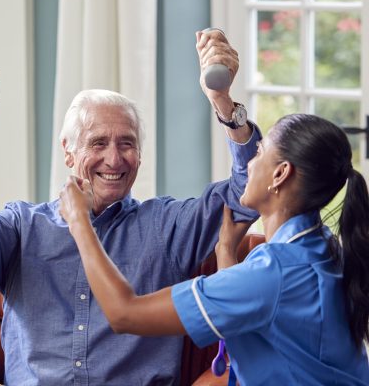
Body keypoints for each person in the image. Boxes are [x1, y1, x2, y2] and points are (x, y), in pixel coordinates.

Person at [0, 29, 261, 385]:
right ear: (68, 151)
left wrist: (224, 103)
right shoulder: (21, 227)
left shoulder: (166, 226)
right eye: (98, 142)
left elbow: (250, 194)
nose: (114, 158)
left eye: (127, 143)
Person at [59, 113, 369, 385]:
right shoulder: (321, 245)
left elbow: (124, 314)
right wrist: (225, 250)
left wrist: (80, 222)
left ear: (280, 173)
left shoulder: (273, 272)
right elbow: (260, 305)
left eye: (259, 152)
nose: (250, 162)